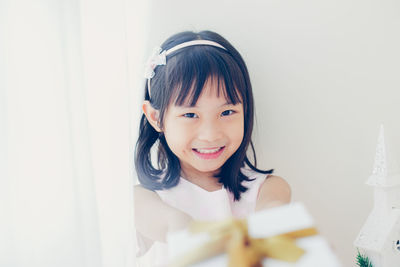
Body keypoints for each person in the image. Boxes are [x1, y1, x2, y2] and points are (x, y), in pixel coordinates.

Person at [134, 30, 291, 265]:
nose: (210, 135)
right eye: (190, 114)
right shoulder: (146, 198)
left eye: (226, 112)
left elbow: (272, 217)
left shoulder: (268, 189)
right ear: (156, 118)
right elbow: (176, 226)